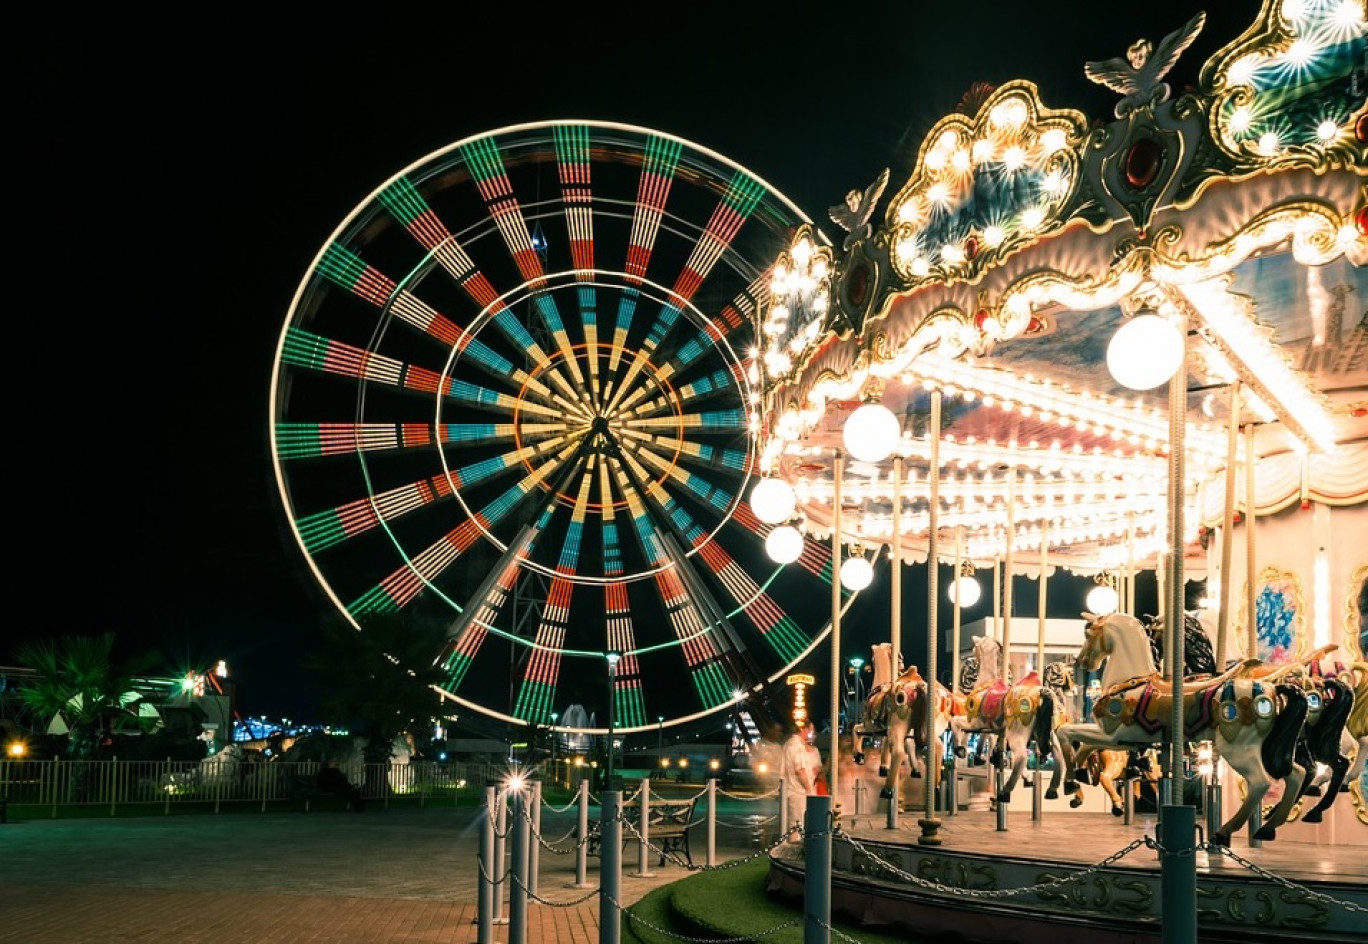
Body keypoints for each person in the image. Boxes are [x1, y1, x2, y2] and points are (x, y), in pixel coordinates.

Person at [779, 718, 820, 841]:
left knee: (797, 823)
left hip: (794, 790)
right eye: (810, 730)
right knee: (797, 824)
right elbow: (800, 770)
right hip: (798, 791)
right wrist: (809, 789)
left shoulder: (790, 744)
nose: (811, 734)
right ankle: (793, 850)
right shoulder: (796, 746)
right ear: (803, 729)